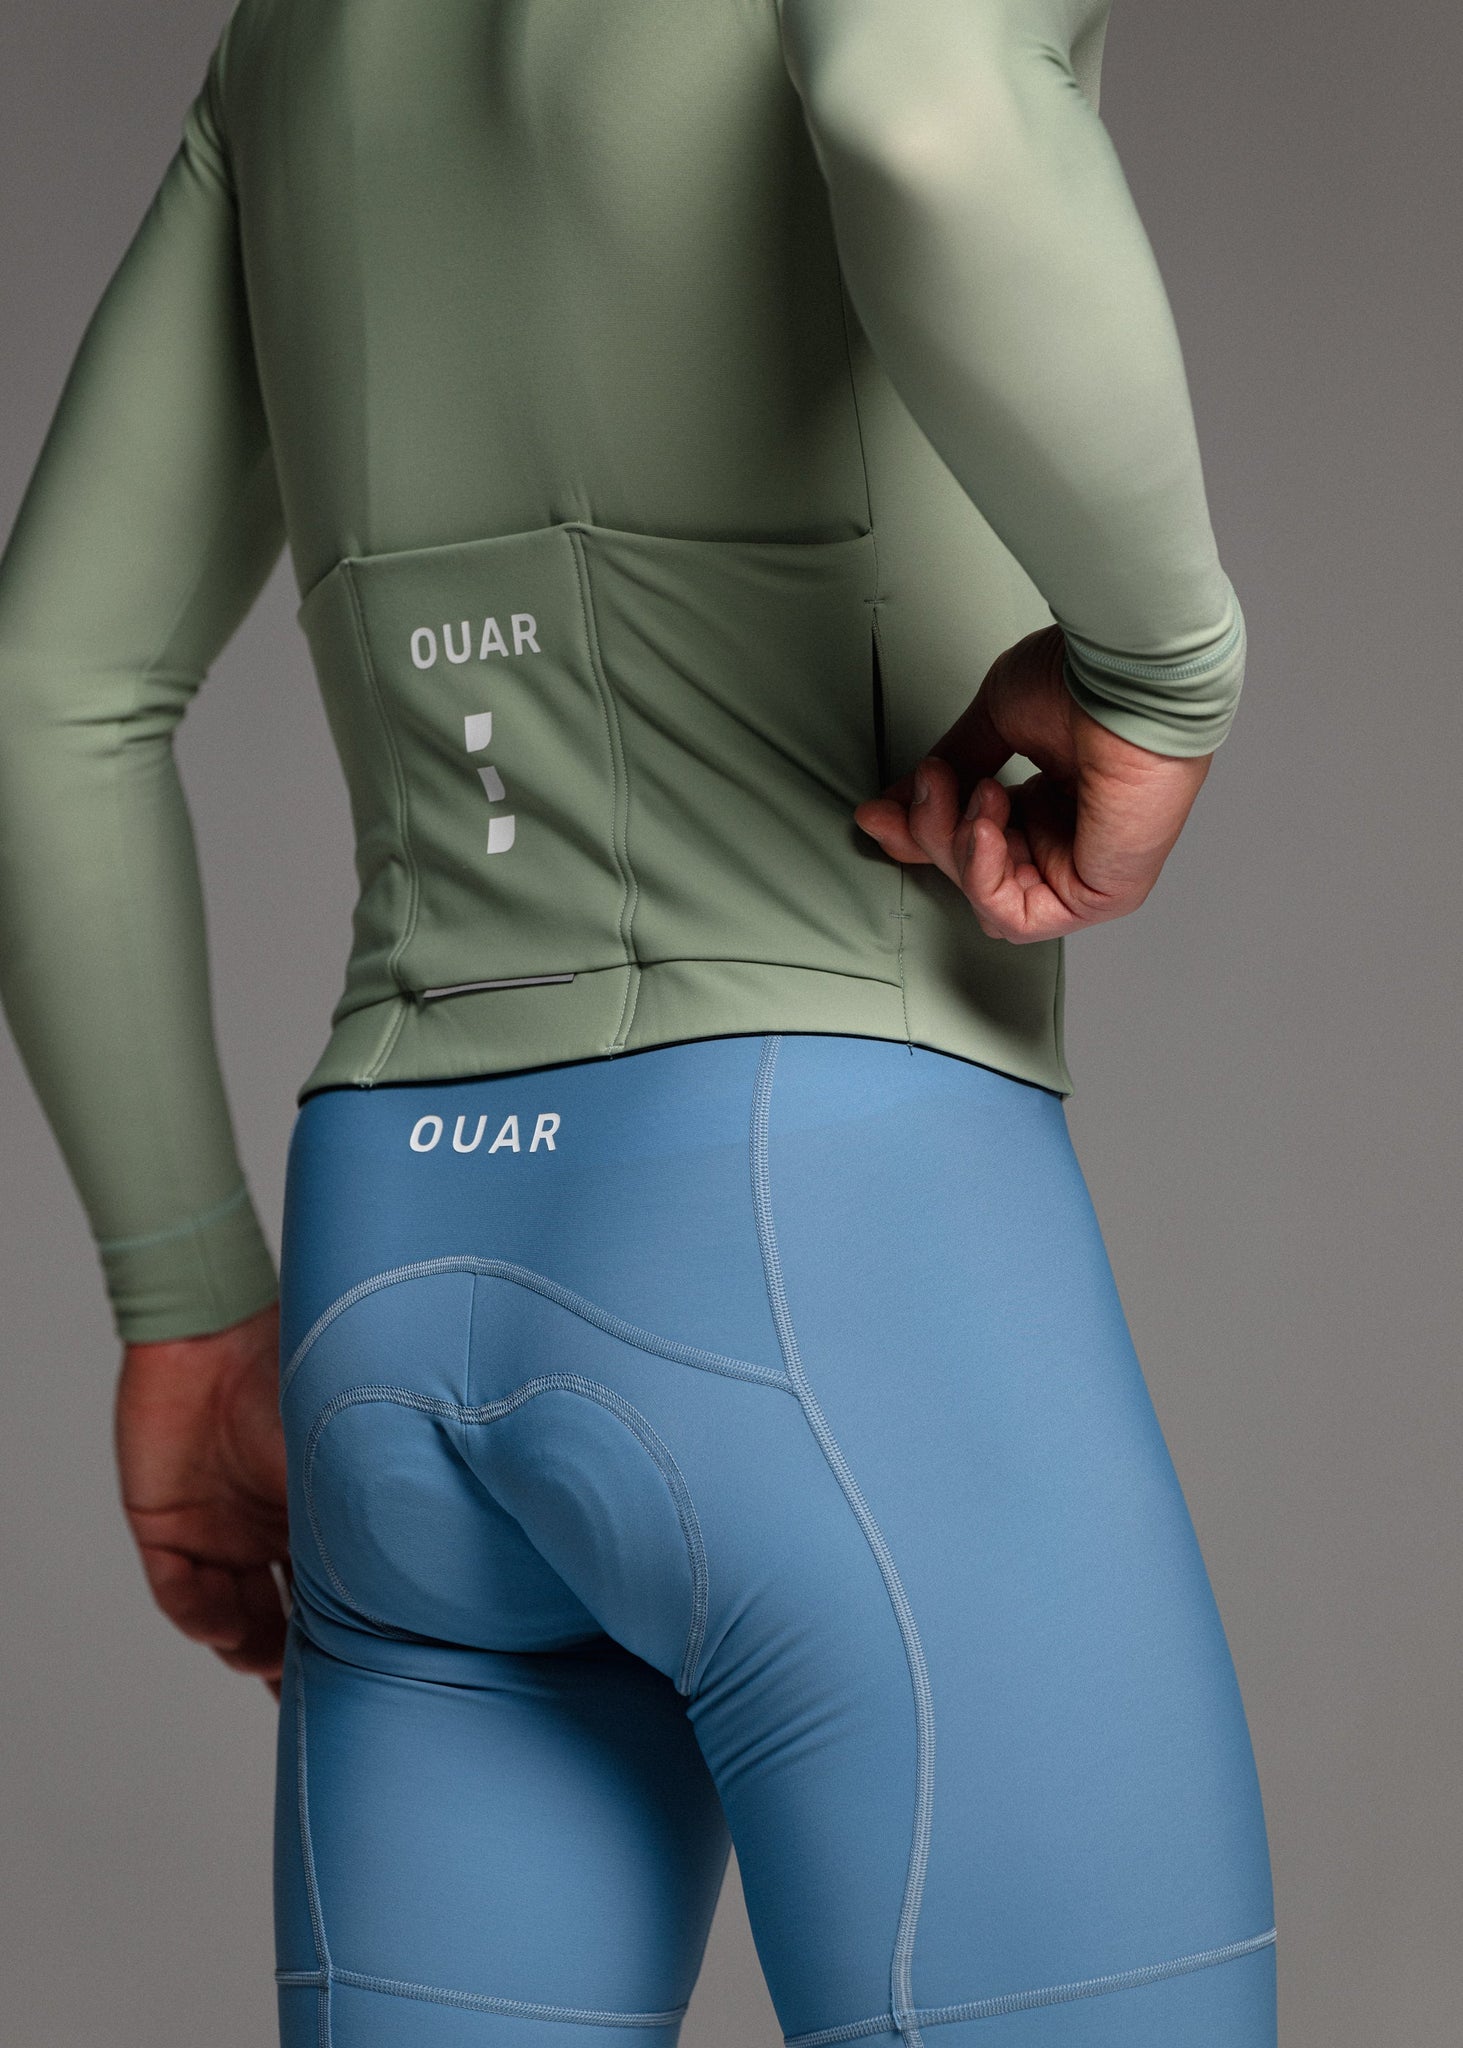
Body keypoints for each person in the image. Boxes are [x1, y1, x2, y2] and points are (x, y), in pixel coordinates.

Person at [0, 2, 1276, 2044]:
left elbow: (47, 684)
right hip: (832, 1260)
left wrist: (183, 1306)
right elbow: (919, 104)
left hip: (391, 1292)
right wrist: (1163, 675)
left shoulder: (288, 38)